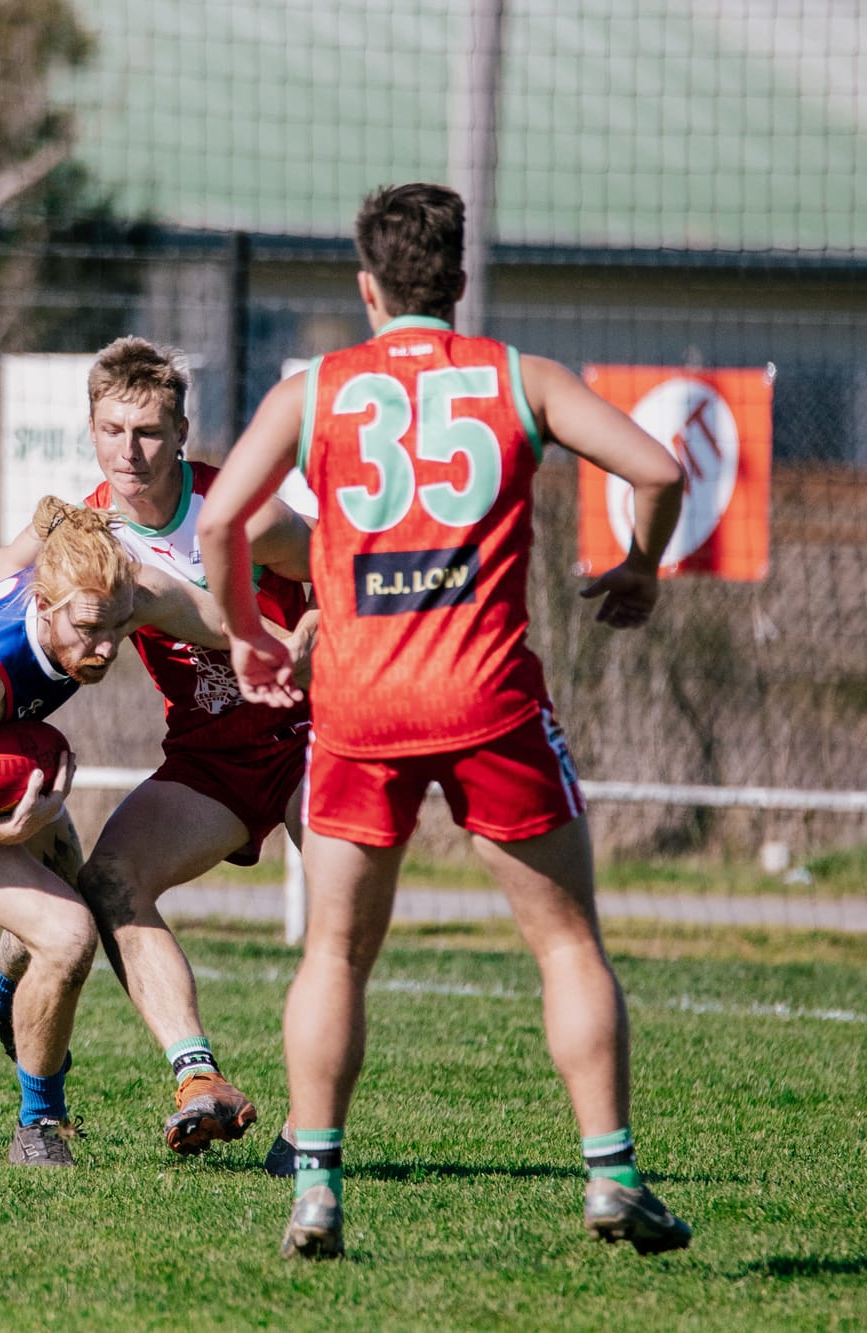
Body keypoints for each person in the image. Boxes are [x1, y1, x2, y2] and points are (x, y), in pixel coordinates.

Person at [194, 182, 691, 1258]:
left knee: (332, 950)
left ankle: (315, 1188)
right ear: (457, 283)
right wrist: (638, 566)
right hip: (488, 699)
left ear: (365, 286)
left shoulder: (313, 390)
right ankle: (609, 1178)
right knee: (564, 944)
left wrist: (245, 632)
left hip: (361, 704)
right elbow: (658, 469)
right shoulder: (523, 378)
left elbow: (222, 515)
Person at [0, 336, 317, 1159]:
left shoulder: (238, 515)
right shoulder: (87, 540)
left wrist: (321, 639)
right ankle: (193, 1078)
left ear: (182, 430)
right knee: (101, 888)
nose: (130, 450)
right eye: (113, 430)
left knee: (338, 923)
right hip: (213, 756)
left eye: (148, 431)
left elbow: (330, 578)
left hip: (312, 731)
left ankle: (309, 1135)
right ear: (92, 429)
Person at [0, 497, 253, 1167]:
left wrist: (315, 642)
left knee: (73, 879)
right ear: (43, 606)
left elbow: (222, 623)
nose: (104, 647)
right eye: (89, 629)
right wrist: (2, 826)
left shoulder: (114, 588)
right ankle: (40, 1126)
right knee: (67, 934)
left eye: (117, 627)